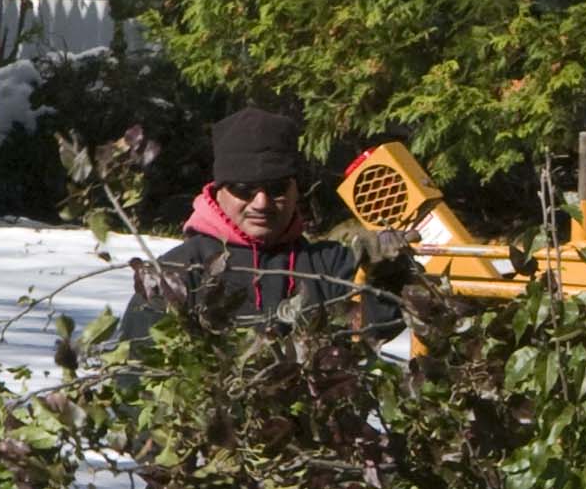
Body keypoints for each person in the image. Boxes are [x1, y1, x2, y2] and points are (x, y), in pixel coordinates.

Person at [119, 107, 407, 341]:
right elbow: (137, 390)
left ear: (296, 190)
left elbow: (381, 327)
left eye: (277, 189)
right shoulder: (175, 277)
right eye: (244, 189)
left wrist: (388, 274)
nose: (262, 203)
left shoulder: (329, 266)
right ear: (217, 191)